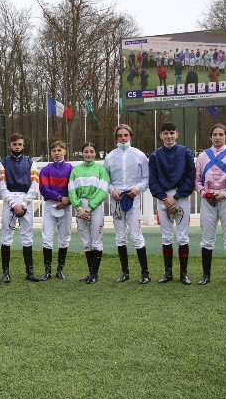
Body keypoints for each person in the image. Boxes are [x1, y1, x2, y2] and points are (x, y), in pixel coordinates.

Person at [196, 124, 226, 286]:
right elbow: (197, 180)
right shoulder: (203, 156)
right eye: (215, 134)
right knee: (207, 238)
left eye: (221, 134)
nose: (217, 137)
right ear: (210, 137)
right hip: (208, 200)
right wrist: (203, 192)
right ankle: (206, 275)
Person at [148, 121, 196, 285]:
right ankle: (168, 273)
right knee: (167, 236)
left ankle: (184, 274)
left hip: (181, 196)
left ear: (177, 134)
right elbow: (153, 180)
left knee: (182, 236)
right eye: (166, 133)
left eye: (172, 133)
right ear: (161, 135)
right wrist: (164, 198)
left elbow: (190, 177)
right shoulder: (155, 156)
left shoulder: (186, 153)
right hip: (163, 198)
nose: (169, 136)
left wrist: (175, 197)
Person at [103, 124, 151, 284]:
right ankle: (125, 272)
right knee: (120, 237)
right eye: (120, 135)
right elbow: (105, 180)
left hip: (133, 199)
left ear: (131, 136)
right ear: (116, 138)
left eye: (126, 135)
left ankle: (145, 273)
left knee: (136, 236)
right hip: (116, 200)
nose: (123, 138)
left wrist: (137, 189)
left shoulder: (139, 155)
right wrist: (112, 190)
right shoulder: (110, 157)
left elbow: (146, 178)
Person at [0, 133, 40, 283]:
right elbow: (2, 186)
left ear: (23, 145)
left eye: (20, 144)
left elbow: (35, 184)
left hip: (25, 199)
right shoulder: (2, 163)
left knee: (27, 236)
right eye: (14, 144)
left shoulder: (30, 162)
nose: (17, 147)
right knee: (6, 236)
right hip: (9, 200)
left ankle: (30, 272)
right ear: (10, 145)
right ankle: (5, 273)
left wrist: (25, 203)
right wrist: (13, 204)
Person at [69, 142, 110, 284]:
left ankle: (94, 274)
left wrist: (90, 208)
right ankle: (91, 274)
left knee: (96, 241)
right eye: (86, 151)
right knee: (87, 242)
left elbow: (103, 190)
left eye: (92, 151)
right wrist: (79, 208)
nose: (89, 154)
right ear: (82, 153)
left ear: (95, 153)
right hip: (80, 208)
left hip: (95, 208)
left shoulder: (101, 170)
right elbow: (71, 190)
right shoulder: (75, 171)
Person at [39, 141, 73, 280]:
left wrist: (67, 200)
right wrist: (60, 198)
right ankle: (47, 271)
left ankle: (59, 270)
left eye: (59, 150)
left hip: (66, 205)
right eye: (54, 151)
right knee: (47, 238)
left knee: (64, 238)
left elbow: (74, 188)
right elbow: (44, 189)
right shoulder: (45, 170)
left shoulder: (71, 169)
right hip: (50, 205)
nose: (57, 153)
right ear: (51, 153)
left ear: (65, 151)